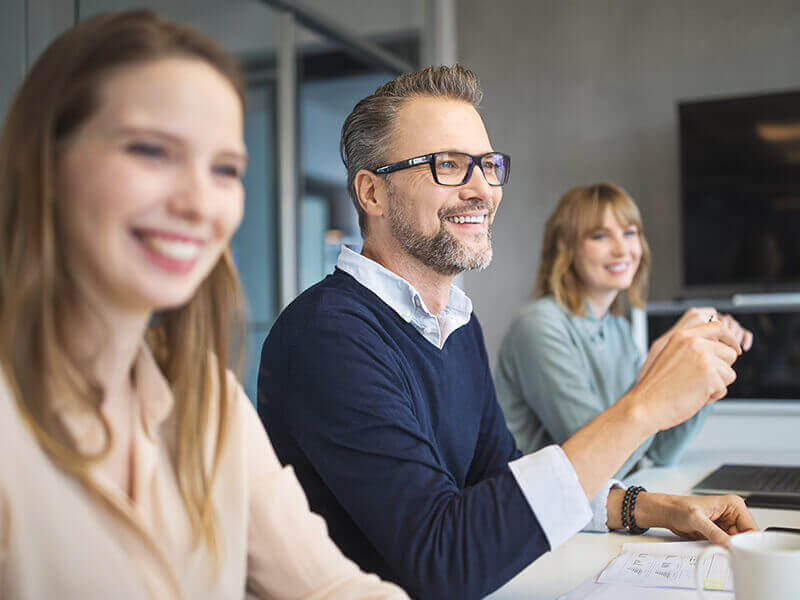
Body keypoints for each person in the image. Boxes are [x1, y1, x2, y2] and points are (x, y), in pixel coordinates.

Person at [258, 65, 757, 600]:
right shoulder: (325, 337)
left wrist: (647, 506)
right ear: (372, 193)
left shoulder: (456, 325)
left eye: (488, 165)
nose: (482, 189)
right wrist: (642, 407)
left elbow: (499, 478)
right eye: (447, 164)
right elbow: (443, 558)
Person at [0, 11, 407, 599]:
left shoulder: (205, 399)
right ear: (45, 163)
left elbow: (330, 588)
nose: (198, 203)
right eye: (149, 151)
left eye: (224, 169)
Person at [495, 182, 754, 479]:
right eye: (600, 236)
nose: (621, 250)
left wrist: (708, 365)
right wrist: (668, 353)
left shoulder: (617, 328)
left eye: (629, 233)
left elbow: (661, 451)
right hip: (539, 514)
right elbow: (602, 459)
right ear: (566, 249)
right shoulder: (539, 326)